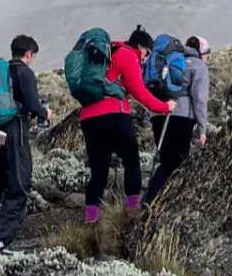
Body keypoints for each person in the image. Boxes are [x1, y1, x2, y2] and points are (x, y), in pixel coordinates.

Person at [79, 26, 174, 224]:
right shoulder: (127, 55)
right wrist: (164, 107)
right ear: (140, 46)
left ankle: (91, 221)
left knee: (98, 172)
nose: (145, 58)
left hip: (88, 118)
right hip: (115, 114)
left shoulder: (106, 55)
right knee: (131, 160)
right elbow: (139, 91)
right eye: (146, 53)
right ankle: (132, 213)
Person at [0, 35, 50, 251]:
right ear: (29, 54)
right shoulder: (24, 72)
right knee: (19, 186)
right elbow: (32, 105)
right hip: (14, 131)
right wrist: (45, 112)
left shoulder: (1, 74)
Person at [144, 35, 210, 205]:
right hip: (180, 117)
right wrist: (202, 129)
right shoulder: (198, 65)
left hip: (158, 113)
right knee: (176, 161)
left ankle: (153, 199)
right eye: (207, 56)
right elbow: (200, 99)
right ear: (201, 51)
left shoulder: (170, 60)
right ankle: (153, 200)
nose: (207, 60)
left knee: (166, 159)